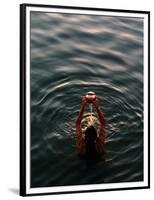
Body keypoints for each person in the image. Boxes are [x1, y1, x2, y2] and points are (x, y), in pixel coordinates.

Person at [76, 95, 105, 163]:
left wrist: (83, 106)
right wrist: (97, 107)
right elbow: (103, 123)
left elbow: (77, 124)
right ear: (96, 136)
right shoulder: (99, 146)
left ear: (84, 137)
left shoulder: (81, 146)